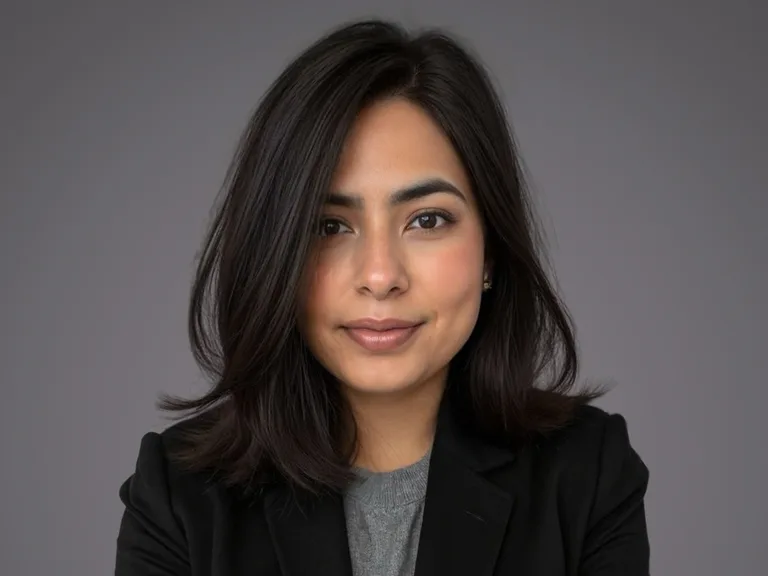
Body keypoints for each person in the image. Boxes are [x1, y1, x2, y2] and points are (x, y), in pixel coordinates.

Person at [115, 18, 650, 576]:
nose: (379, 275)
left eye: (426, 219)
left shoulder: (588, 472)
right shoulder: (178, 493)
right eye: (329, 226)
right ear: (275, 252)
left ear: (490, 249)